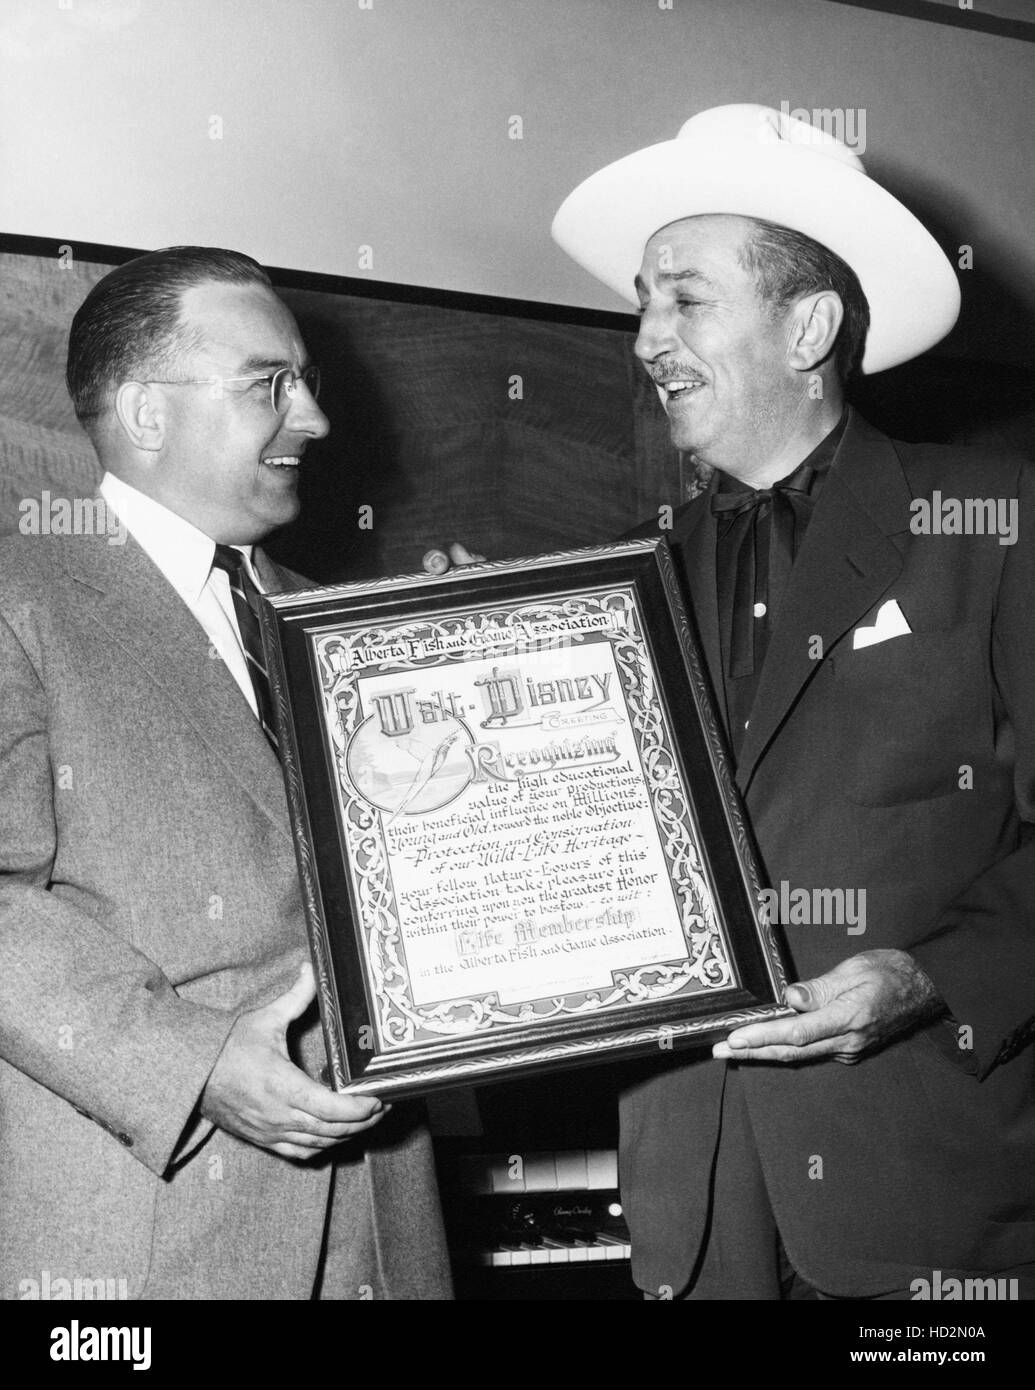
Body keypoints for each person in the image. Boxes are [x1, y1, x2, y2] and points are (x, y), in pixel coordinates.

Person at [549, 103, 1035, 1299]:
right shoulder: (625, 574)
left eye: (685, 298)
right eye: (644, 299)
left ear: (808, 323)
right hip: (697, 1211)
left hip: (925, 1210)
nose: (645, 337)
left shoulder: (994, 522)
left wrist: (925, 978)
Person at [0, 246, 452, 1300]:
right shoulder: (20, 597)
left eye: (309, 383)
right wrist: (193, 1066)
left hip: (384, 1220)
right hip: (146, 1244)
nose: (316, 420)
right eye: (269, 385)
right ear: (145, 411)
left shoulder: (341, 626)